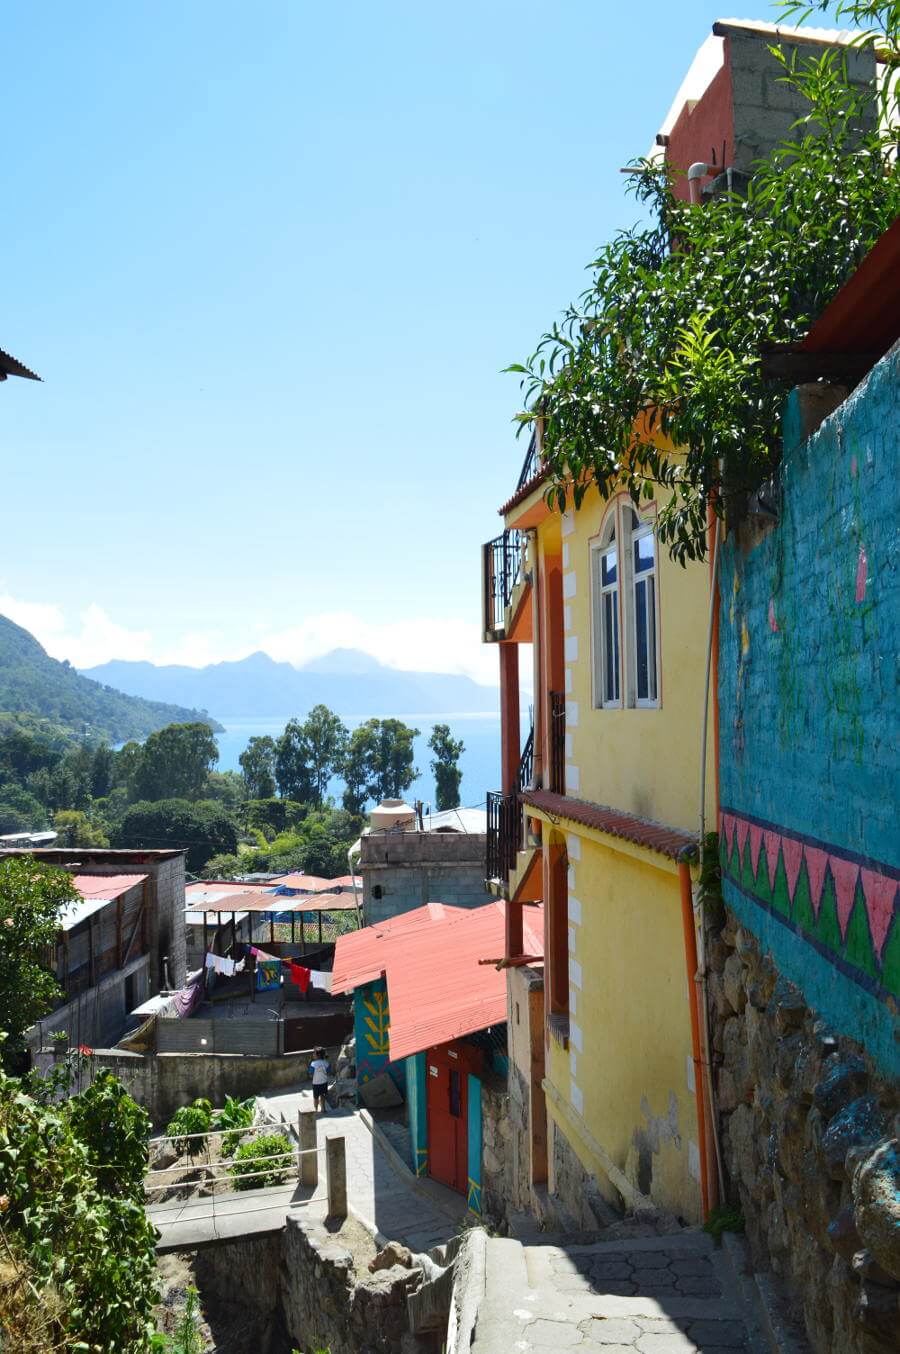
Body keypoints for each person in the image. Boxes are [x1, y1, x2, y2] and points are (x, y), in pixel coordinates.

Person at [310, 1045, 330, 1112]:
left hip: (316, 1083)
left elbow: (311, 1073)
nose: (313, 1055)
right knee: (322, 1096)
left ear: (317, 1055)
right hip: (324, 1082)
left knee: (315, 1097)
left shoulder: (313, 1064)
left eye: (314, 1053)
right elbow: (328, 1071)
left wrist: (312, 1077)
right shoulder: (326, 1063)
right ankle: (323, 1108)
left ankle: (315, 1109)